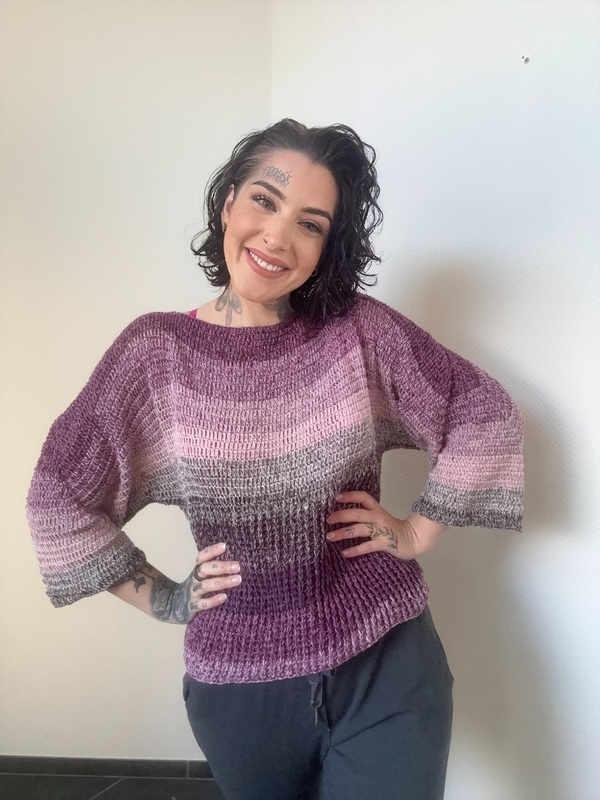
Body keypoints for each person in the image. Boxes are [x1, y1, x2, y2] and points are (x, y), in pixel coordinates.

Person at [27, 119, 524, 800]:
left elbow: (481, 410)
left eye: (310, 224)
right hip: (242, 692)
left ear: (325, 247)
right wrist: (167, 599)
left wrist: (417, 530)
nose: (277, 237)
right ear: (229, 203)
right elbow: (58, 497)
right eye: (265, 200)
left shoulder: (356, 332)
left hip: (386, 663)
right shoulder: (155, 354)